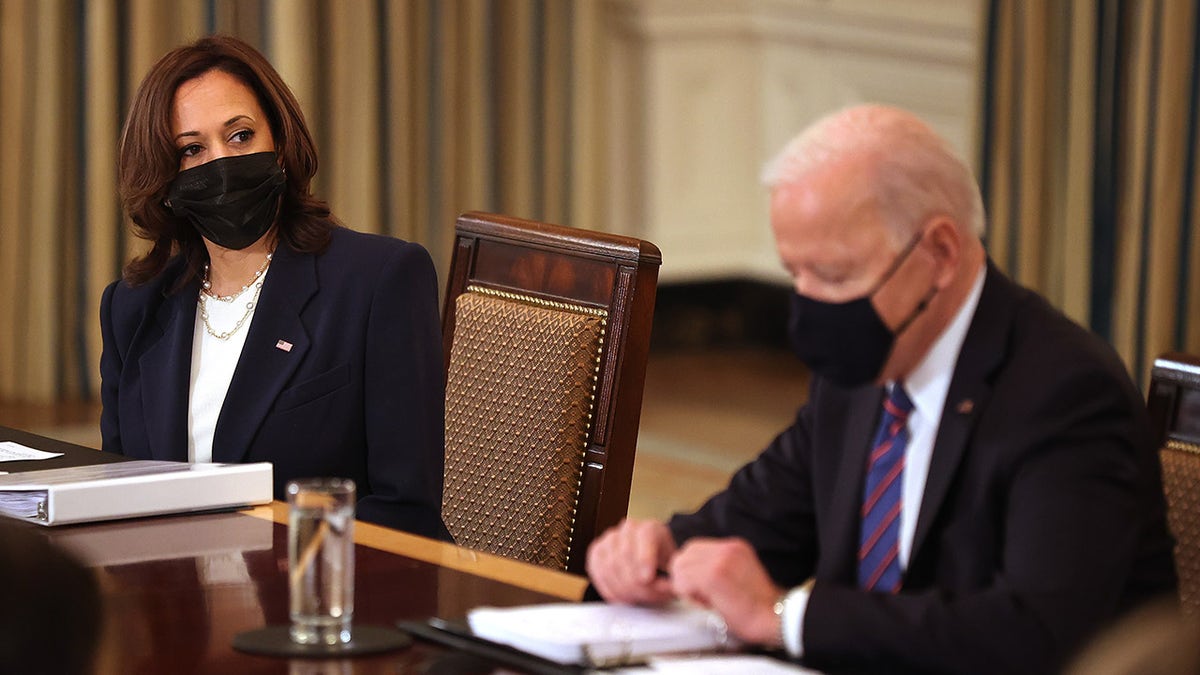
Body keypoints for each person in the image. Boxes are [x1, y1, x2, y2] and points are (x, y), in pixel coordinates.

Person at [586, 104, 1177, 674]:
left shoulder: (1066, 394)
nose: (810, 305)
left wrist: (784, 616)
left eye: (836, 275)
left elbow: (1035, 635)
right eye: (796, 274)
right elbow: (762, 522)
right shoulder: (865, 372)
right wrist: (659, 552)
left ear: (941, 253)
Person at [99, 35, 449, 539]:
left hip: (322, 596)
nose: (221, 163)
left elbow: (405, 509)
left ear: (279, 144)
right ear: (164, 180)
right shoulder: (133, 306)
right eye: (192, 150)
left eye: (240, 136)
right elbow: (118, 499)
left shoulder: (381, 280)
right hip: (171, 597)